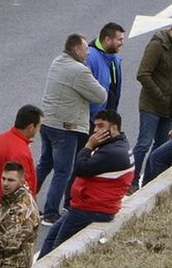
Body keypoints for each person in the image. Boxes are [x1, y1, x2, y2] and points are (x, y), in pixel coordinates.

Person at [39, 110, 133, 257]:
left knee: (58, 248)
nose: (95, 130)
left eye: (101, 126)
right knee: (51, 237)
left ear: (114, 129)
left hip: (91, 209)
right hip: (85, 206)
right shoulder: (117, 145)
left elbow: (80, 168)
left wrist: (89, 146)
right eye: (95, 126)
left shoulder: (112, 152)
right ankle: (38, 266)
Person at [36, 34, 108, 225]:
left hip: (48, 122)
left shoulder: (57, 61)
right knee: (63, 171)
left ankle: (25, 201)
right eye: (85, 49)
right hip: (66, 127)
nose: (88, 53)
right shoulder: (79, 70)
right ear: (76, 50)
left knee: (45, 164)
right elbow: (100, 95)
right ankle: (51, 213)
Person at [132, 17, 172, 187]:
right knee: (144, 144)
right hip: (151, 106)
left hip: (170, 108)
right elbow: (143, 74)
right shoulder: (157, 45)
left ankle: (148, 181)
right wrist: (159, 96)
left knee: (161, 146)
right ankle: (132, 182)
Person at [0, 105, 42, 215]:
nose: (39, 130)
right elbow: (23, 185)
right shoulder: (19, 152)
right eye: (39, 126)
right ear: (31, 127)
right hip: (11, 210)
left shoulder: (3, 137)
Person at [86, 22, 125, 124]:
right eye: (119, 39)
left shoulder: (115, 58)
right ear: (108, 40)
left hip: (107, 119)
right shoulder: (89, 57)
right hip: (92, 121)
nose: (122, 43)